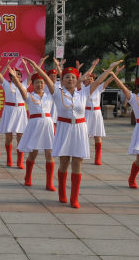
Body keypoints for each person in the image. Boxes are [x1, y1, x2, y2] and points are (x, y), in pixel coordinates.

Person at [29, 58, 121, 208]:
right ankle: (62, 193)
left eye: (73, 77)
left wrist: (110, 68)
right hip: (64, 128)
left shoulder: (83, 93)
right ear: (62, 80)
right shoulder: (57, 93)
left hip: (79, 129)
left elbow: (98, 81)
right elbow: (45, 78)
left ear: (76, 79)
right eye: (66, 77)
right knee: (64, 162)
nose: (70, 79)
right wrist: (35, 66)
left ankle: (74, 198)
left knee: (77, 162)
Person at [8, 60, 55, 191]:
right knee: (33, 153)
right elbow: (21, 89)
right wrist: (15, 79)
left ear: (44, 84)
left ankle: (49, 182)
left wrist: (38, 67)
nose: (39, 84)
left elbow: (50, 80)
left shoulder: (50, 96)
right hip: (35, 125)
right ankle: (28, 177)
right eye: (36, 83)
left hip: (48, 125)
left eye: (41, 82)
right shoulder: (29, 96)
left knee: (49, 154)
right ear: (32, 85)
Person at [0, 57, 28, 168]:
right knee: (9, 137)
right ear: (11, 77)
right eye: (14, 75)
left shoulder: (24, 84)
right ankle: (9, 158)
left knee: (20, 136)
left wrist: (27, 65)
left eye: (19, 75)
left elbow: (33, 74)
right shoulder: (6, 84)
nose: (17, 76)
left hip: (20, 111)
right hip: (9, 111)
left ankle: (20, 160)